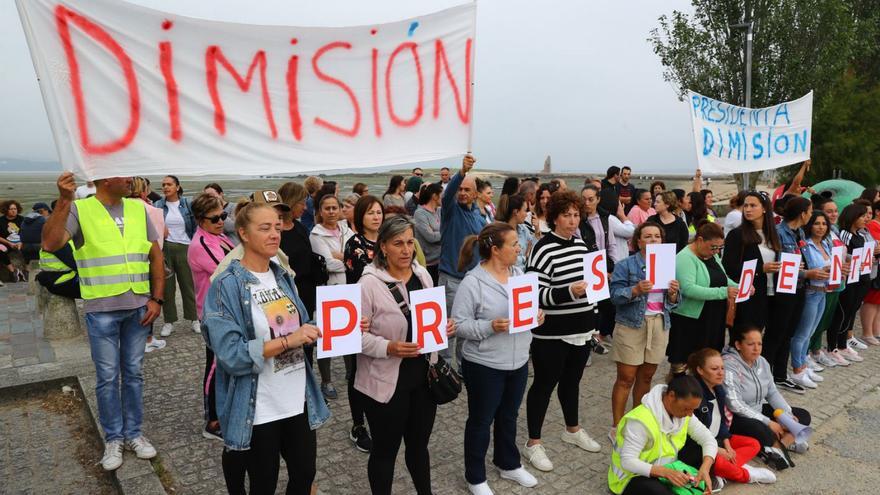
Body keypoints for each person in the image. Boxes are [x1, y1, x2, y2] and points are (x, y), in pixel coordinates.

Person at [202, 201, 330, 495]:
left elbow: (301, 324)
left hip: (297, 398)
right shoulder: (226, 285)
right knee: (264, 483)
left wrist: (336, 325)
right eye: (265, 228)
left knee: (304, 475)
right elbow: (232, 355)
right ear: (244, 234)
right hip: (260, 406)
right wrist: (289, 341)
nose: (275, 234)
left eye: (277, 226)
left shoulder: (282, 275)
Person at [42, 172, 164, 471]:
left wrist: (157, 298)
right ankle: (114, 438)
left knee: (133, 374)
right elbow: (50, 242)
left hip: (139, 307)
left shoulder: (137, 208)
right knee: (108, 377)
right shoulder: (79, 209)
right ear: (106, 179)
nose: (131, 179)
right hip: (103, 309)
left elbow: (155, 254)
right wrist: (64, 201)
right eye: (124, 174)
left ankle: (134, 434)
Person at [356, 216, 456, 495]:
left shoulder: (422, 274)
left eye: (410, 242)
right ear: (383, 247)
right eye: (398, 243)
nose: (406, 249)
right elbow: (354, 337)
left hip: (423, 377)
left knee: (418, 447)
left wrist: (443, 327)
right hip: (387, 382)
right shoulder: (368, 284)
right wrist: (389, 347)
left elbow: (430, 319)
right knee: (385, 452)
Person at [453, 222, 544, 495]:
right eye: (514, 244)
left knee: (509, 415)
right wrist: (490, 326)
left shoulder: (520, 274)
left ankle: (508, 463)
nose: (519, 248)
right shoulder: (473, 282)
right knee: (481, 420)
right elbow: (459, 325)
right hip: (484, 364)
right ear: (495, 250)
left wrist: (538, 315)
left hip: (517, 361)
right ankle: (476, 477)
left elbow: (531, 308)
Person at [523, 190, 601, 472]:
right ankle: (533, 442)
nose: (572, 220)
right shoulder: (543, 248)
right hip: (551, 334)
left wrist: (593, 321)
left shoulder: (581, 246)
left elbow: (591, 290)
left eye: (576, 215)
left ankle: (572, 429)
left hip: (581, 330)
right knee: (544, 385)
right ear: (554, 217)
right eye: (566, 215)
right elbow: (535, 294)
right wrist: (568, 291)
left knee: (572, 383)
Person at [609, 222, 679, 433]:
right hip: (632, 324)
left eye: (657, 236)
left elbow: (674, 302)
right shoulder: (626, 265)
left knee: (646, 376)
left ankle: (636, 422)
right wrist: (636, 290)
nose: (652, 240)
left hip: (659, 323)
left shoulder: (668, 263)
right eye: (647, 236)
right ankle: (617, 426)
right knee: (626, 378)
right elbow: (614, 296)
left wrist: (674, 294)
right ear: (638, 241)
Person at [607, 375, 717, 495]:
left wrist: (705, 468)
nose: (690, 414)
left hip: (666, 468)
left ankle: (700, 478)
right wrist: (666, 472)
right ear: (671, 396)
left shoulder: (684, 413)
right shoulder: (640, 421)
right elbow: (628, 461)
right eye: (686, 409)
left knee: (708, 455)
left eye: (693, 409)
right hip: (632, 477)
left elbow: (708, 439)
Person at [724, 327, 812, 469]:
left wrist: (787, 414)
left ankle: (778, 446)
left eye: (759, 344)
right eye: (750, 344)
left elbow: (772, 392)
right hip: (738, 418)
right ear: (738, 345)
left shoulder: (762, 361)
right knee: (762, 429)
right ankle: (784, 440)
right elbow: (735, 404)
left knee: (802, 415)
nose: (756, 349)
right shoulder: (729, 365)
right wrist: (768, 422)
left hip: (759, 410)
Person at [685, 349, 776, 485]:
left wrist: (727, 445)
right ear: (700, 370)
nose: (721, 372)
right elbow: (694, 436)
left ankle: (725, 470)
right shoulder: (696, 395)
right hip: (700, 446)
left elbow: (721, 420)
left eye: (722, 368)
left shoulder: (718, 389)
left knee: (753, 444)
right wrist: (719, 450)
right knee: (720, 463)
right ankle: (747, 475)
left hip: (717, 439)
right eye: (714, 369)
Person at [188, 193, 236, 441]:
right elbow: (232, 270)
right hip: (214, 314)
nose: (221, 221)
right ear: (199, 220)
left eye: (223, 216)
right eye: (215, 218)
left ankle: (224, 411)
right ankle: (212, 421)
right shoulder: (202, 245)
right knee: (216, 365)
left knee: (225, 363)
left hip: (227, 310)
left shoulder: (218, 236)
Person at [342, 195, 385, 452]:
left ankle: (379, 414)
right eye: (370, 213)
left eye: (379, 212)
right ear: (360, 217)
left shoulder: (387, 239)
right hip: (362, 315)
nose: (376, 217)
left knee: (381, 366)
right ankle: (358, 425)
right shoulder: (355, 244)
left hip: (387, 314)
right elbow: (363, 279)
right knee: (358, 371)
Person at [668, 223, 737, 375]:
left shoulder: (712, 255)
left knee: (709, 361)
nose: (717, 251)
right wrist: (724, 292)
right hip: (691, 320)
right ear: (699, 240)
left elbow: (723, 278)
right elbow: (688, 289)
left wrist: (740, 287)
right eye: (713, 247)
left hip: (713, 317)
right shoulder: (685, 258)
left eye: (720, 248)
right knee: (686, 363)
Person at [767, 196, 821, 392]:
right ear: (802, 213)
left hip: (798, 288)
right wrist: (807, 273)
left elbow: (800, 260)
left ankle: (780, 375)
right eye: (810, 211)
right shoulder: (780, 233)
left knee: (788, 334)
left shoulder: (799, 232)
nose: (811, 215)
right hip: (784, 290)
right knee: (776, 334)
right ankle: (767, 376)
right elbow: (783, 266)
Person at [438, 154, 484, 366]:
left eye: (467, 190)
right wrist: (462, 172)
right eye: (460, 189)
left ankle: (462, 365)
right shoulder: (450, 210)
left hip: (472, 281)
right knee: (448, 327)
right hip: (451, 279)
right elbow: (447, 196)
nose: (462, 193)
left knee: (465, 326)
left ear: (475, 194)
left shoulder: (478, 216)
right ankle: (444, 367)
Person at [310, 192, 355, 400]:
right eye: (326, 208)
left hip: (349, 288)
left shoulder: (346, 230)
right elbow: (327, 264)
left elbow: (359, 256)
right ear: (320, 211)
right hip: (330, 289)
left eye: (334, 207)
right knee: (326, 338)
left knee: (349, 333)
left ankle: (351, 372)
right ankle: (326, 381)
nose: (331, 212)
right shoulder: (316, 235)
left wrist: (343, 258)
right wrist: (348, 259)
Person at [722, 192, 779, 333]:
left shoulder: (773, 234)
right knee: (746, 337)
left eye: (753, 205)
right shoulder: (737, 234)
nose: (747, 209)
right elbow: (729, 267)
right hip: (749, 296)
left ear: (764, 208)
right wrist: (761, 268)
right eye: (745, 205)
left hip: (773, 293)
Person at [789, 210, 832, 389]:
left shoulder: (825, 244)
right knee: (802, 333)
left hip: (823, 291)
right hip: (810, 292)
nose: (821, 227)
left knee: (811, 332)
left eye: (824, 224)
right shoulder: (805, 245)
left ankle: (803, 365)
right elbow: (804, 269)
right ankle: (797, 369)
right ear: (809, 225)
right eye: (817, 223)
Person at [154, 175, 199, 336]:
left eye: (169, 184)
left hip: (186, 247)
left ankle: (195, 318)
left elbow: (195, 226)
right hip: (165, 248)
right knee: (167, 287)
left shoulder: (187, 204)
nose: (166, 187)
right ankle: (169, 321)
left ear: (177, 187)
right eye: (163, 185)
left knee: (189, 285)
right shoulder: (158, 205)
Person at [808, 197, 849, 367]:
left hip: (837, 281)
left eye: (835, 211)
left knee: (825, 319)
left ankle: (817, 350)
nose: (833, 214)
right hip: (822, 284)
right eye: (829, 211)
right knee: (816, 321)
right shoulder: (820, 236)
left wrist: (850, 261)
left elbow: (840, 254)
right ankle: (813, 350)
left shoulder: (835, 231)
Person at [829, 203, 872, 364]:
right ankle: (834, 346)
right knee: (842, 313)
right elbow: (844, 254)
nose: (865, 219)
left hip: (861, 279)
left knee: (851, 312)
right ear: (853, 217)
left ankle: (843, 344)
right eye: (861, 216)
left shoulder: (860, 236)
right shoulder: (845, 234)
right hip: (849, 280)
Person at [129, 178, 166, 353]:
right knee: (149, 302)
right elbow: (159, 240)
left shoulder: (117, 209)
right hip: (147, 262)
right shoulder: (152, 211)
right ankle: (148, 338)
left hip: (125, 264)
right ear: (145, 191)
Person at [413, 183, 443, 285]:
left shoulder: (439, 211)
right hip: (428, 264)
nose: (443, 197)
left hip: (440, 261)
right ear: (435, 196)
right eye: (442, 194)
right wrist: (444, 233)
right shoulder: (420, 213)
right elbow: (430, 237)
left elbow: (437, 234)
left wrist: (437, 232)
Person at [498, 193, 536, 271]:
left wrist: (537, 230)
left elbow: (533, 247)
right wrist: (526, 257)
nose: (526, 214)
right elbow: (508, 260)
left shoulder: (523, 228)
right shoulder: (501, 233)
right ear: (516, 212)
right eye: (525, 210)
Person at [861, 200, 880, 345]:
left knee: (878, 302)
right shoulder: (873, 226)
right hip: (874, 267)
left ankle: (876, 330)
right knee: (872, 300)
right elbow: (874, 246)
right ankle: (867, 332)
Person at [0, 199, 25, 281]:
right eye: (11, 209)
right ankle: (12, 270)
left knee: (31, 248)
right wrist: (9, 243)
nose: (14, 211)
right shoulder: (1, 221)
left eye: (15, 209)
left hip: (21, 243)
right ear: (6, 210)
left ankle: (26, 271)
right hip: (6, 243)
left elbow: (27, 233)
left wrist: (21, 242)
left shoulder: (23, 219)